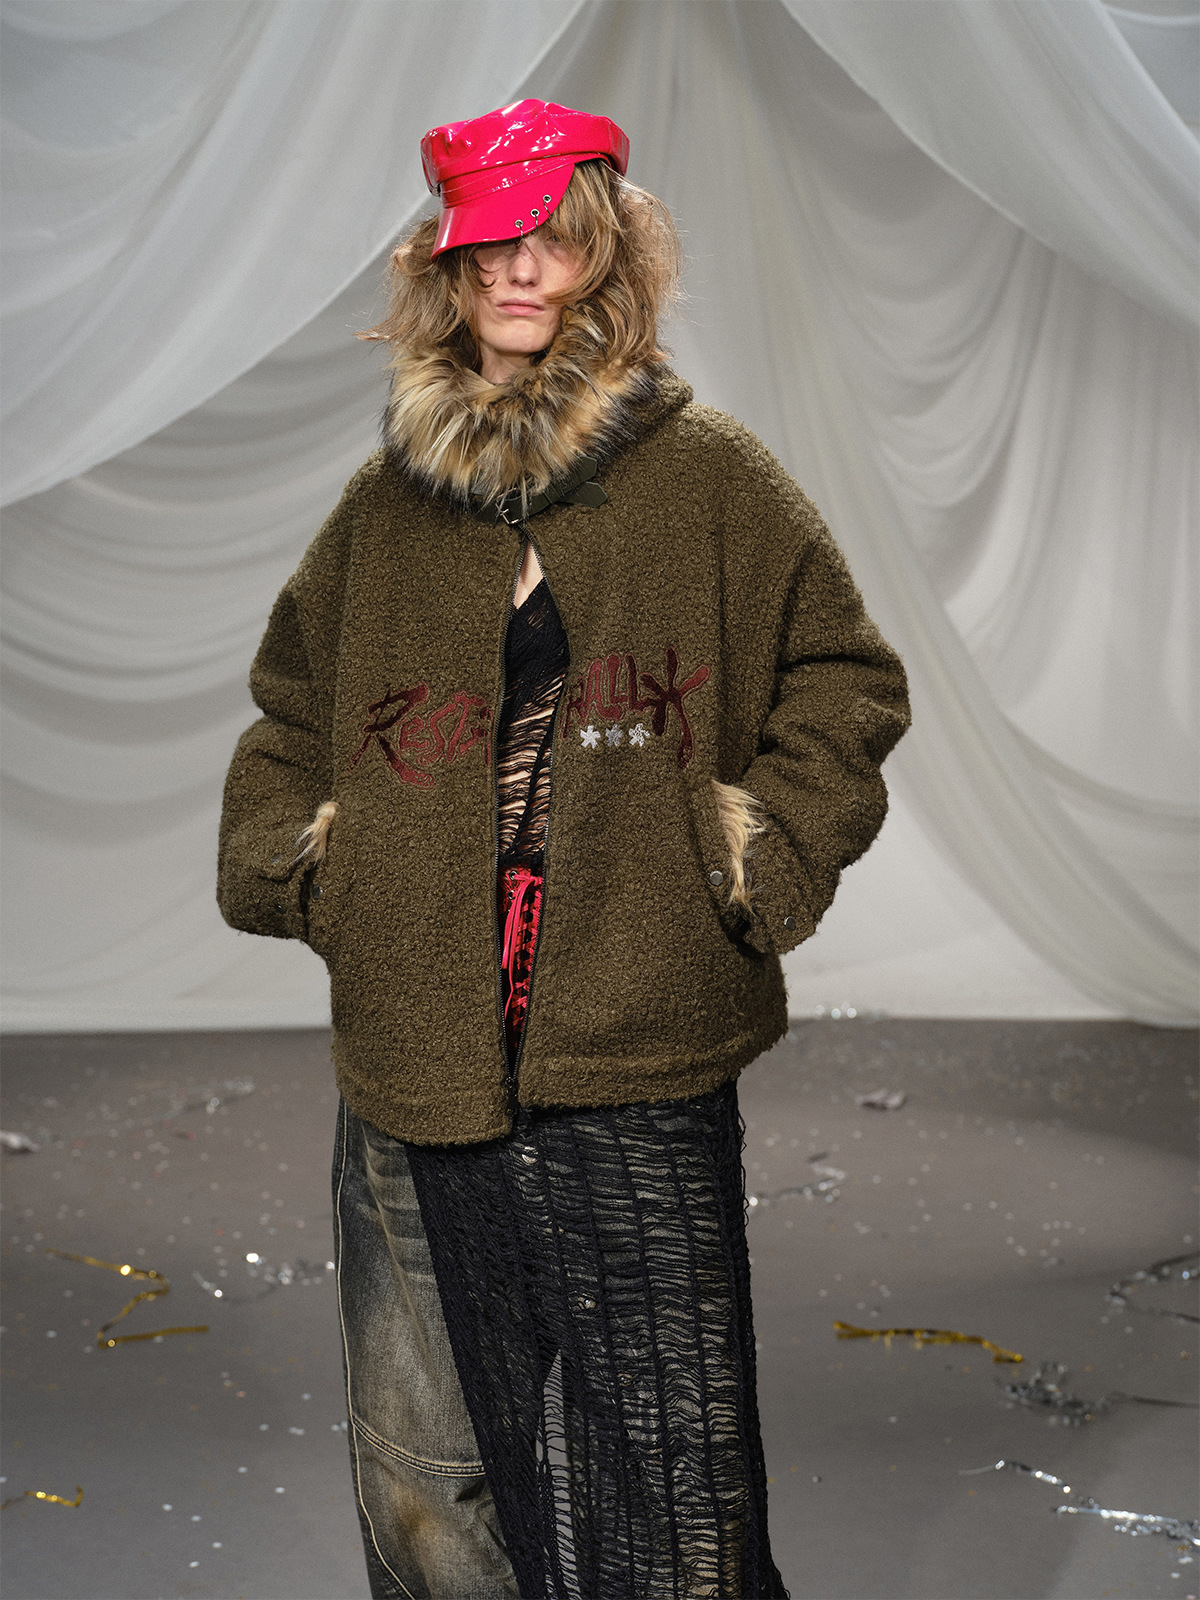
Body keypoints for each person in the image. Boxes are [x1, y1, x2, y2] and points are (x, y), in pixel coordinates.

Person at [217, 98, 910, 1600]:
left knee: (669, 1472)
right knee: (424, 1476)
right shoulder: (387, 509)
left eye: (552, 241)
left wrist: (757, 854)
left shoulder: (706, 474)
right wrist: (314, 867)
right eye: (489, 247)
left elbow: (845, 676)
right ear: (447, 270)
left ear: (606, 255)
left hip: (634, 1036)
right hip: (417, 1047)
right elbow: (291, 708)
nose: (520, 273)